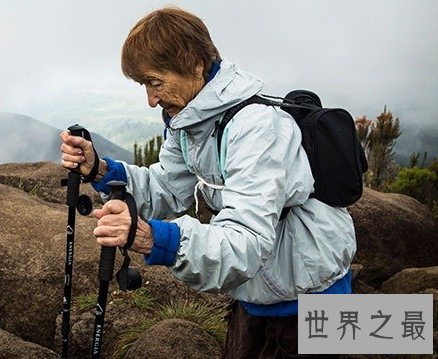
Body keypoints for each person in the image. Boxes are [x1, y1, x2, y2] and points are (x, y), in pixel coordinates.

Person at [59, 7, 355, 358]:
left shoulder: (255, 128)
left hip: (310, 299)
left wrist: (153, 238)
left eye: (156, 82)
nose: (151, 99)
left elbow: (245, 242)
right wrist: (100, 170)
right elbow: (167, 188)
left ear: (196, 65)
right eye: (145, 85)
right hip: (258, 294)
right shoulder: (192, 121)